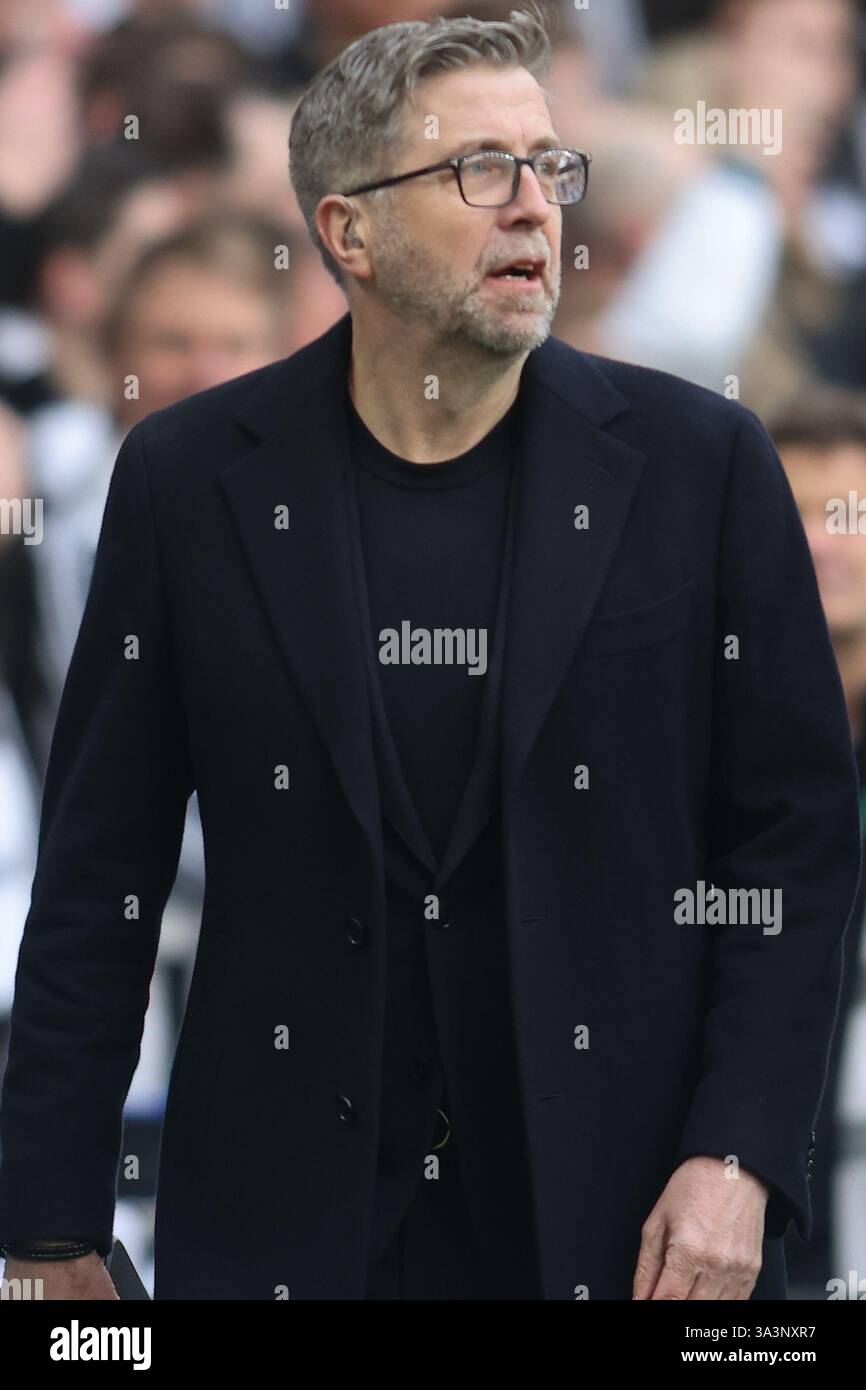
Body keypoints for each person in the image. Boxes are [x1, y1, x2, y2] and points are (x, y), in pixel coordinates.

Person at [0, 6, 859, 1301]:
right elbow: (100, 869)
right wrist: (49, 1223)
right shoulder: (189, 479)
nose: (532, 207)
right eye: (478, 170)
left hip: (624, 1220)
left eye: (549, 167)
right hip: (286, 1219)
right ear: (347, 230)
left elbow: (787, 843)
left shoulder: (699, 466)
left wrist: (738, 1150)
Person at [770, 387, 866, 1296]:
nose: (828, 542)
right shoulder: (694, 745)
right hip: (741, 1236)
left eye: (852, 514)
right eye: (799, 512)